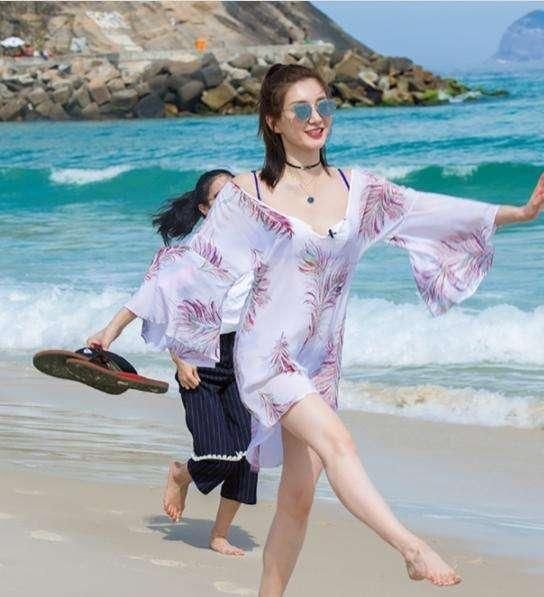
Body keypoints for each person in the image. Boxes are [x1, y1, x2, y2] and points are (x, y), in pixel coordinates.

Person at [86, 64, 543, 594]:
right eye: (301, 108)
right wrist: (112, 329)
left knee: (298, 500)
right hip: (268, 356)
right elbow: (186, 270)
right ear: (273, 120)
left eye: (324, 105)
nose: (316, 117)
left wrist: (520, 214)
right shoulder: (248, 194)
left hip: (321, 360)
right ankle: (411, 549)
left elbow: (428, 211)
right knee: (338, 442)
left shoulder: (359, 190)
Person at [96, 169, 258, 556]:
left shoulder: (259, 248)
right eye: (222, 198)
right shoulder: (190, 255)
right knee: (217, 454)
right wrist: (110, 333)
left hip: (243, 361)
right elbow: (155, 298)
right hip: (197, 363)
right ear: (204, 209)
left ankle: (219, 534)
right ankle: (180, 474)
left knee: (247, 460)